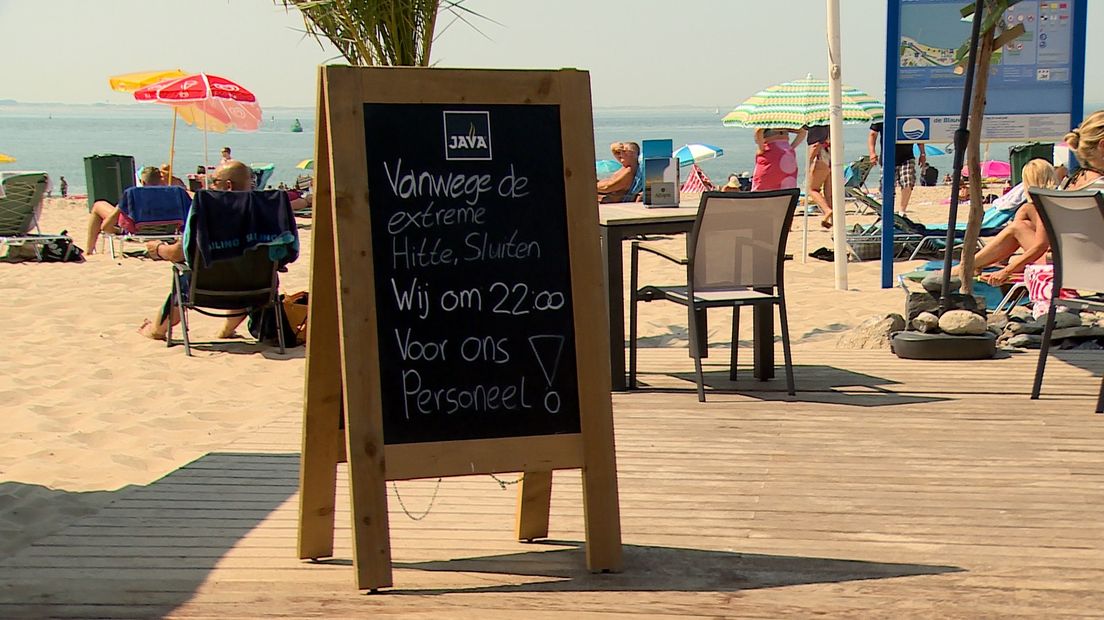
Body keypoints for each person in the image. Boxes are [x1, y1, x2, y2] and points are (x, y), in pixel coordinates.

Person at [138, 161, 254, 341]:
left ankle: (156, 330)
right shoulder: (266, 210)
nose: (210, 185)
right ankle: (225, 331)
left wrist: (159, 249)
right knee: (245, 272)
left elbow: (179, 253)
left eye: (214, 181)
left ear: (228, 186)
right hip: (257, 288)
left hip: (204, 287)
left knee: (183, 278)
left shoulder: (209, 210)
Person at [950, 159, 1057, 284]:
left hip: (1057, 264)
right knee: (1024, 219)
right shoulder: (1056, 200)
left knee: (1017, 227)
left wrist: (1006, 272)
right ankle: (978, 263)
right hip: (1067, 260)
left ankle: (967, 266)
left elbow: (1041, 246)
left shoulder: (1045, 205)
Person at [86, 166, 164, 254]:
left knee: (98, 205)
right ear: (161, 181)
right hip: (166, 231)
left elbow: (106, 227)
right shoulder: (170, 195)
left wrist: (116, 229)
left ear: (142, 182)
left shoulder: (133, 194)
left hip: (135, 230)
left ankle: (88, 251)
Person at [868, 122, 926, 215]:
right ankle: (890, 211)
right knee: (888, 185)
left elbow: (918, 135)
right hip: (888, 157)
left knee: (907, 181)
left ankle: (902, 211)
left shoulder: (906, 115)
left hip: (906, 156)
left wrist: (922, 153)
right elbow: (873, 134)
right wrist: (872, 153)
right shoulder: (882, 116)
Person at [752, 127, 805, 191]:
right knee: (786, 190)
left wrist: (761, 148)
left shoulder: (764, 120)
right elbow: (802, 132)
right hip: (787, 155)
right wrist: (791, 148)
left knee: (761, 189)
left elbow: (759, 131)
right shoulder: (783, 121)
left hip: (770, 153)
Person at [805, 125, 833, 228]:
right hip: (831, 157)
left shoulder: (816, 128)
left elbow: (816, 145)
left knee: (812, 189)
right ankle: (833, 220)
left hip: (820, 157)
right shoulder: (828, 125)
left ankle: (827, 211)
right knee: (828, 193)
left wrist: (808, 162)